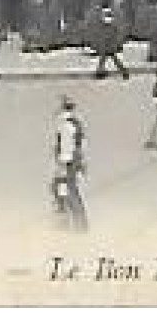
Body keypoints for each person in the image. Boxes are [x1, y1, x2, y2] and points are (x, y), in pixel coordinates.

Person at [52, 96, 88, 232]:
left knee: (65, 191)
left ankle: (71, 224)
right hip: (73, 161)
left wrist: (62, 164)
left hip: (68, 163)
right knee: (68, 191)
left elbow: (66, 147)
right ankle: (77, 223)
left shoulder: (65, 125)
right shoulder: (75, 123)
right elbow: (81, 144)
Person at [91, 8, 130, 80]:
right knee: (109, 60)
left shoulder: (110, 27)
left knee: (109, 60)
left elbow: (110, 37)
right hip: (108, 46)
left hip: (109, 46)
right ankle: (124, 72)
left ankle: (100, 73)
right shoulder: (109, 26)